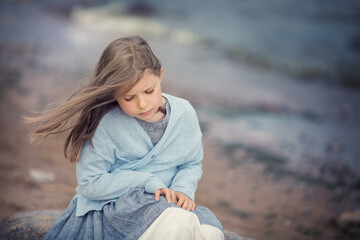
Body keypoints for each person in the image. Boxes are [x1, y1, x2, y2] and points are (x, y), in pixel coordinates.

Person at [26, 36, 224, 240]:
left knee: (210, 229)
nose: (142, 104)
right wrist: (145, 181)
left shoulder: (185, 113)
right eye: (128, 97)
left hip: (166, 204)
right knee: (176, 224)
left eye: (149, 91)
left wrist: (182, 191)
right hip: (117, 208)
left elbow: (190, 163)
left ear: (160, 76)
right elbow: (89, 184)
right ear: (114, 94)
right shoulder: (106, 124)